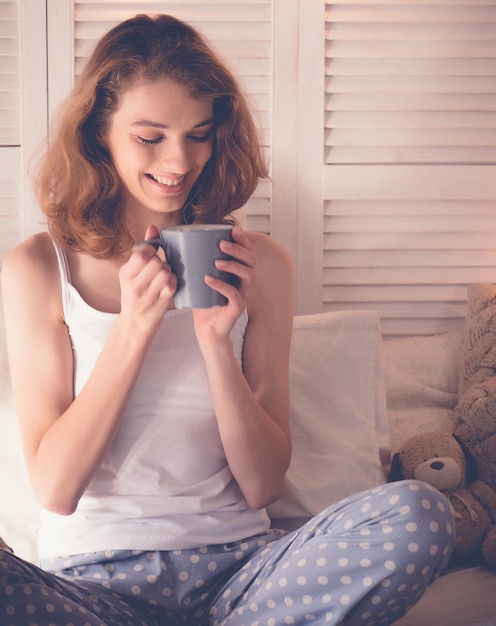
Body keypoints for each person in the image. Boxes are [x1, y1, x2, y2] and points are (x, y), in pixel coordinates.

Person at [0, 13, 454, 626]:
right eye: (150, 136)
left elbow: (263, 485)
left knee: (420, 515)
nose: (179, 160)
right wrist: (133, 330)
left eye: (200, 133)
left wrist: (216, 343)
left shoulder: (261, 264)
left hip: (240, 576)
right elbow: (55, 488)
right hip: (93, 585)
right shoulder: (37, 267)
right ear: (98, 133)